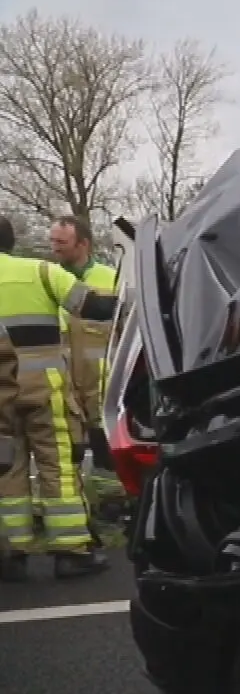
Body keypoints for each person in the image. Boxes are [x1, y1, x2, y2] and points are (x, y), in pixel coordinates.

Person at [0, 215, 120, 581]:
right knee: (58, 467)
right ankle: (71, 552)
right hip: (44, 390)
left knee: (7, 469)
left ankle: (12, 555)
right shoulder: (40, 272)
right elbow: (96, 308)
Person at [48, 214, 118, 464]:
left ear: (83, 244)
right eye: (52, 241)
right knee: (67, 460)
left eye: (61, 242)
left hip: (102, 390)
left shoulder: (112, 278)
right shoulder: (49, 279)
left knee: (107, 459)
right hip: (64, 389)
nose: (54, 248)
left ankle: (108, 487)